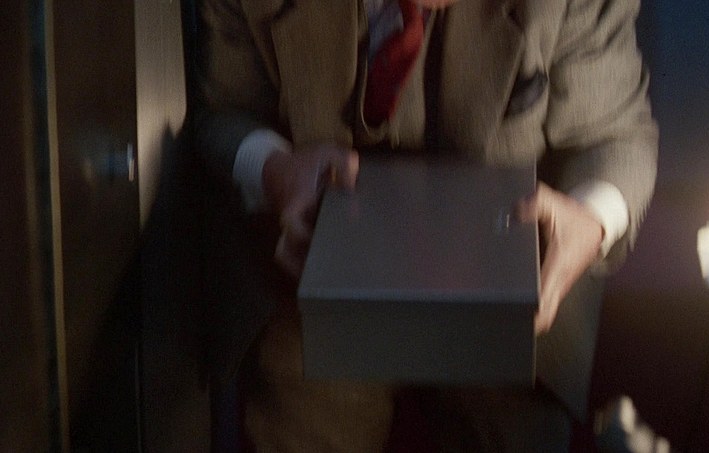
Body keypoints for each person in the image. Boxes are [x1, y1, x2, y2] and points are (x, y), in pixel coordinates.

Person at [192, 0, 658, 450]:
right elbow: (222, 109)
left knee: (515, 428)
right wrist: (273, 167)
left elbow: (615, 136)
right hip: (311, 289)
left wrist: (591, 217)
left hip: (509, 299)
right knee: (303, 416)